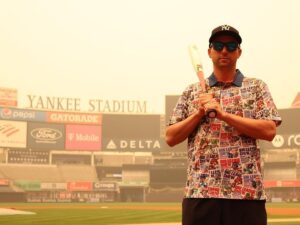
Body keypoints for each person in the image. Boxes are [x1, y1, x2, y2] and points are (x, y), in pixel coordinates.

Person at [166, 24, 282, 225]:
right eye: (218, 46)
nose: (224, 51)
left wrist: (223, 115)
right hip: (200, 193)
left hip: (246, 195)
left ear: (239, 51)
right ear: (210, 51)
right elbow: (170, 137)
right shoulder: (192, 92)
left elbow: (269, 130)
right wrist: (199, 113)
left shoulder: (256, 87)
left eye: (231, 46)